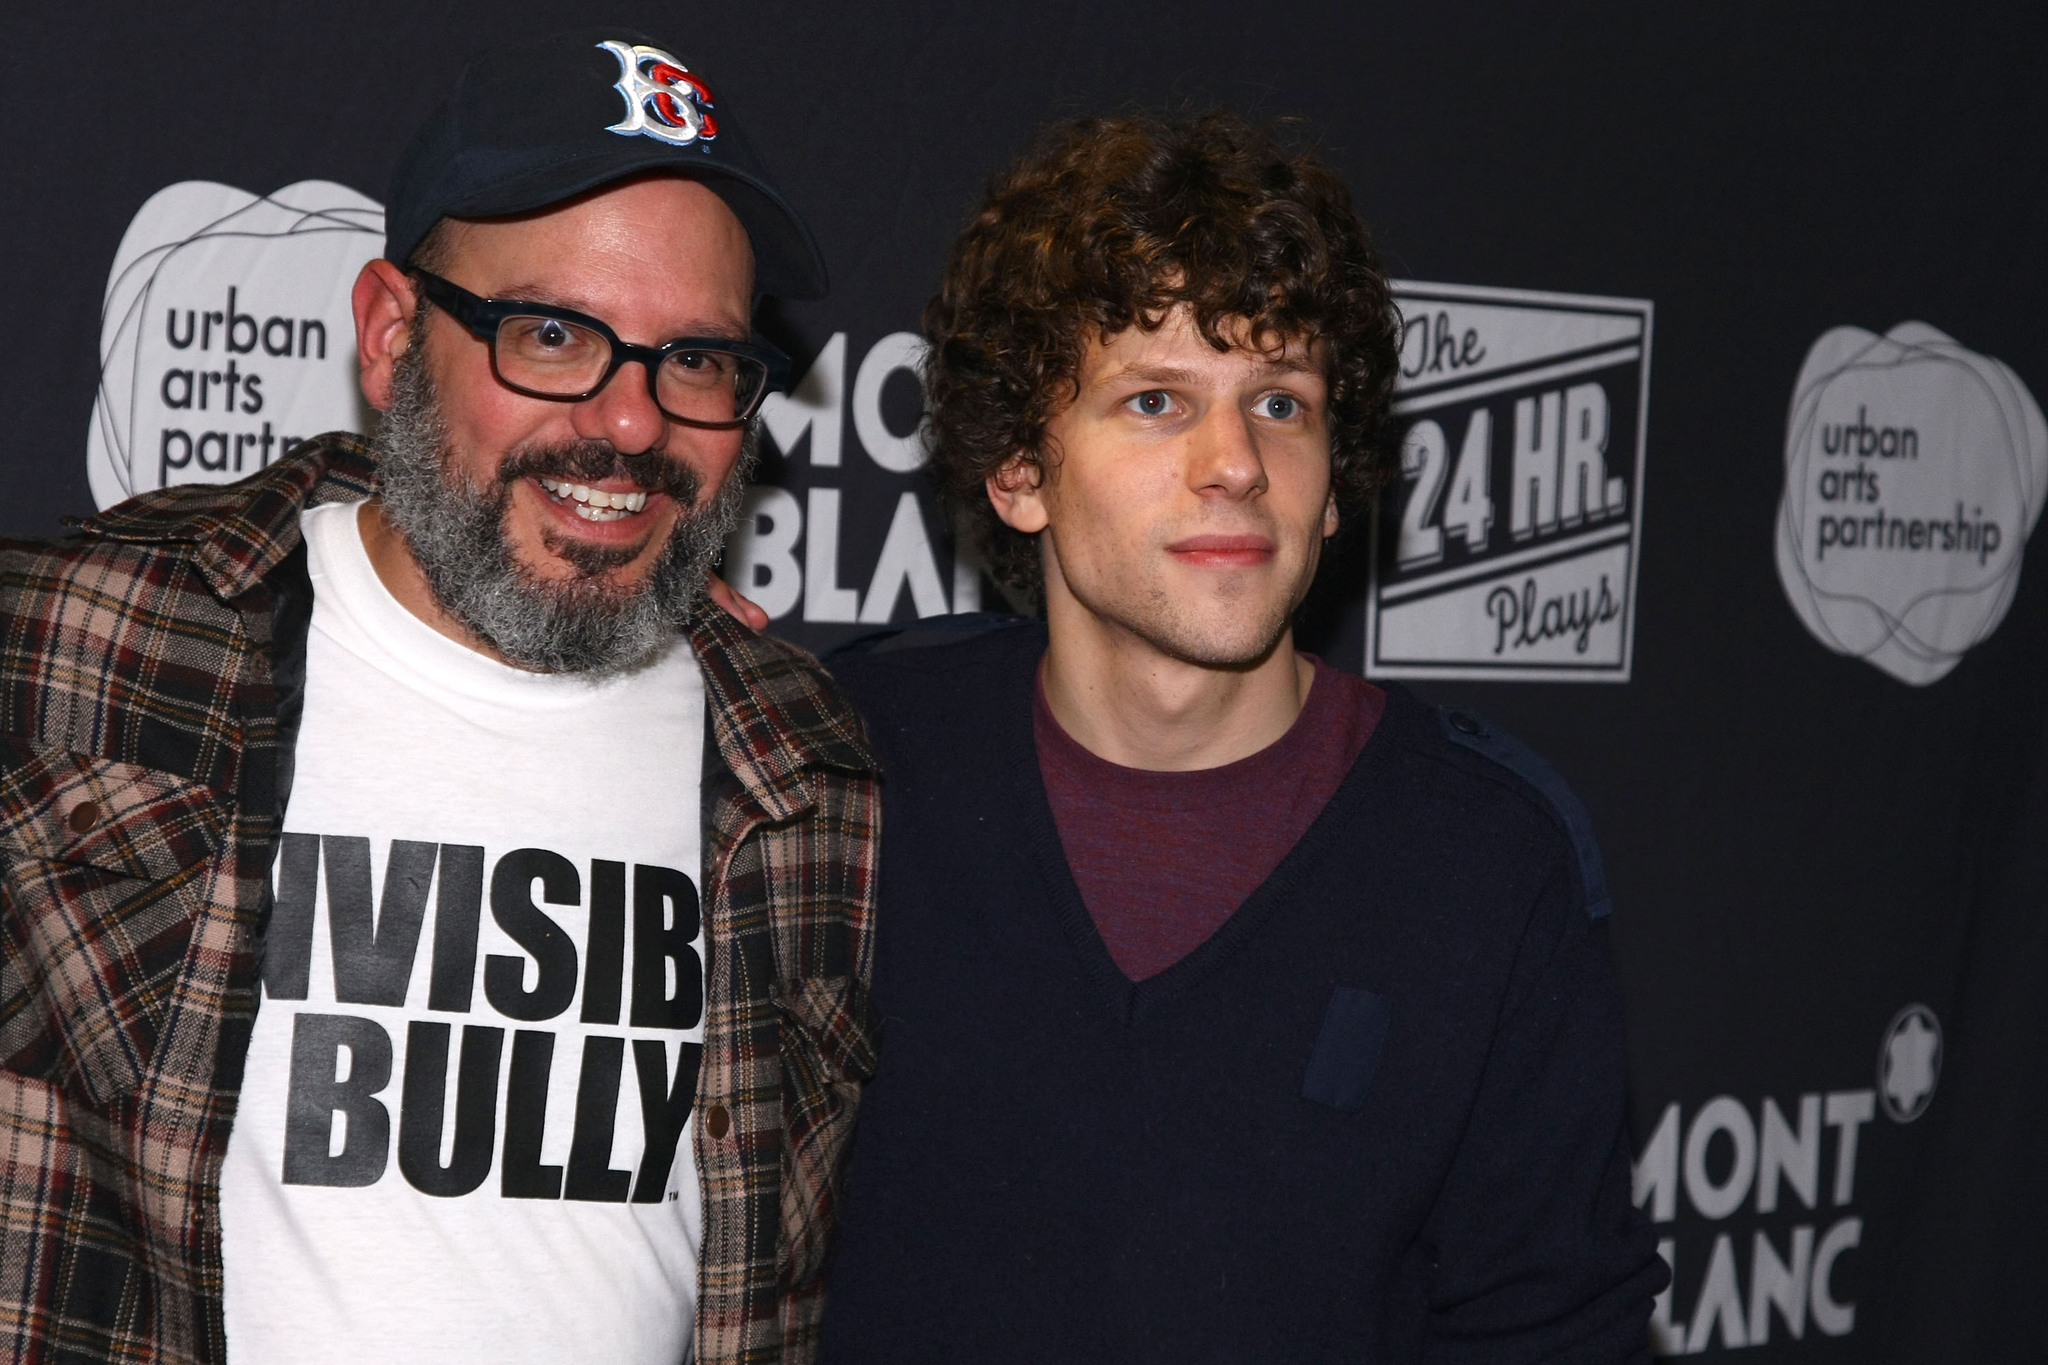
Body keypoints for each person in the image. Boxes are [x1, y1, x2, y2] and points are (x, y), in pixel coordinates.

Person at [0, 29, 876, 1365]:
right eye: (551, 333)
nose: (633, 423)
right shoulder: (83, 647)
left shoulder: (802, 762)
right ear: (391, 331)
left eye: (696, 359)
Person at [816, 113, 1666, 1361]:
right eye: (1154, 400)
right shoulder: (846, 764)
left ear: (1334, 485)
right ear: (1016, 473)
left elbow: (1548, 1325)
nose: (1234, 464)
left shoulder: (1485, 855)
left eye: (1280, 401)